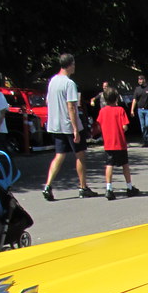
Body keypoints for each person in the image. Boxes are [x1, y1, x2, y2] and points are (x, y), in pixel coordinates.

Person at [42, 53, 94, 201]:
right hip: (68, 125)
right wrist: (76, 128)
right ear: (70, 65)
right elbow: (71, 106)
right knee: (80, 155)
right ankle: (83, 187)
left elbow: (47, 101)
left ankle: (47, 185)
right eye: (74, 64)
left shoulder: (52, 81)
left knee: (59, 155)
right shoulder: (69, 83)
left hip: (56, 125)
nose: (75, 67)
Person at [95, 86, 138, 200]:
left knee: (109, 164)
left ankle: (109, 188)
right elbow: (125, 127)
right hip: (120, 142)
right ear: (116, 98)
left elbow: (99, 126)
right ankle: (129, 187)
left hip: (108, 143)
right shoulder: (120, 110)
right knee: (125, 165)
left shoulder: (102, 111)